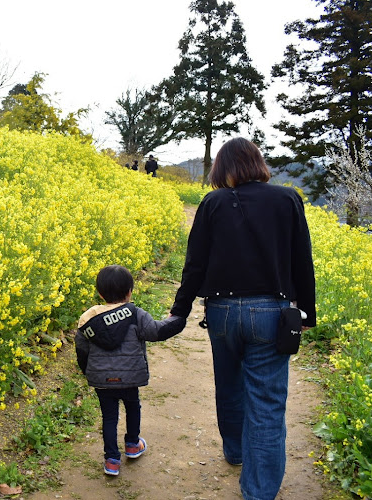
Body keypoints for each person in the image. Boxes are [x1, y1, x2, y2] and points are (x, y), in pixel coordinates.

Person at [169, 137, 316, 500]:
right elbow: (302, 262)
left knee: (230, 383)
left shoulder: (213, 202)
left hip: (221, 312)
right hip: (272, 313)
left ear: (222, 169)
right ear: (258, 163)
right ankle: (258, 492)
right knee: (266, 402)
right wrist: (308, 312)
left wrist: (180, 310)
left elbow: (195, 264)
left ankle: (235, 451)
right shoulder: (287, 199)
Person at [76, 265, 186, 476]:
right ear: (129, 292)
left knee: (109, 417)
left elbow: (82, 351)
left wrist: (87, 371)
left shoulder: (88, 320)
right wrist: (178, 319)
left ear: (99, 293)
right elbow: (157, 332)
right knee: (133, 408)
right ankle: (133, 445)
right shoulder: (135, 314)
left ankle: (111, 460)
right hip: (130, 377)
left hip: (102, 380)